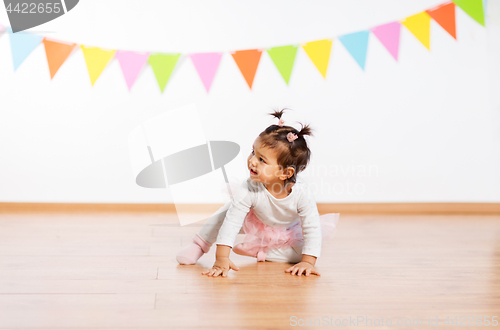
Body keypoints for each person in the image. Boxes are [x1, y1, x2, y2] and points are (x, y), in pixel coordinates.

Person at [175, 108, 340, 277]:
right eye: (254, 152)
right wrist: (222, 258)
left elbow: (311, 227)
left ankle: (262, 252)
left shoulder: (302, 193)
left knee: (303, 253)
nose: (252, 161)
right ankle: (199, 244)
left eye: (262, 160)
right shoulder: (250, 187)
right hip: (254, 220)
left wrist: (308, 262)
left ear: (285, 173)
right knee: (225, 213)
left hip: (287, 230)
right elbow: (232, 222)